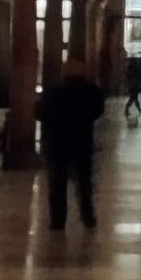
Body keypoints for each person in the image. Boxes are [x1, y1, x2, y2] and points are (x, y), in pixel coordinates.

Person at [38, 59, 107, 231]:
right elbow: (99, 110)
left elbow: (38, 112)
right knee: (84, 183)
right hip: (81, 142)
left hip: (57, 144)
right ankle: (87, 216)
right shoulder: (91, 91)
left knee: (57, 184)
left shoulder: (53, 92)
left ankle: (58, 221)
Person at [123, 54, 141, 118]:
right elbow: (130, 77)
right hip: (133, 86)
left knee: (134, 98)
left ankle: (137, 109)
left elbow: (129, 77)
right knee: (133, 98)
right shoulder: (132, 69)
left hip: (133, 85)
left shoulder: (131, 69)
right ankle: (127, 110)